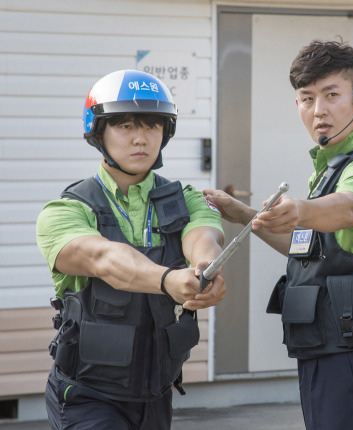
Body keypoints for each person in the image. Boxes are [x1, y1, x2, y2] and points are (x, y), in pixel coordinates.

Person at [203, 40, 353, 429]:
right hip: (325, 350)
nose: (319, 111)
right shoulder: (330, 168)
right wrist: (247, 215)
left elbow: (351, 206)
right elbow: (310, 250)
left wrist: (300, 209)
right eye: (307, 98)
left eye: (332, 95)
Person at [36, 69, 227, 430]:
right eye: (125, 126)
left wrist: (204, 269)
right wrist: (168, 279)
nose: (140, 138)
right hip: (87, 396)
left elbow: (205, 236)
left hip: (156, 396)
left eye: (152, 126)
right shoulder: (66, 211)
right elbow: (104, 258)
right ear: (98, 131)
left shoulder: (186, 200)